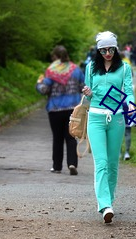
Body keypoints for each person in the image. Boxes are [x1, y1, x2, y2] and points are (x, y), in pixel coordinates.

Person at [82, 31, 135, 223]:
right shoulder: (90, 68)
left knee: (113, 164)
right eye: (103, 50)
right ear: (98, 50)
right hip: (95, 118)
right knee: (101, 163)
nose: (107, 53)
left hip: (117, 119)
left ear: (116, 48)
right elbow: (88, 97)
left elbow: (128, 92)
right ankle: (104, 205)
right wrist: (87, 92)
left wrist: (130, 104)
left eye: (111, 49)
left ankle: (109, 201)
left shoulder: (124, 68)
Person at [36, 45, 85, 175]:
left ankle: (57, 166)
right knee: (71, 137)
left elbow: (44, 90)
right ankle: (72, 163)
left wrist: (39, 83)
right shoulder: (76, 70)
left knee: (57, 138)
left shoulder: (51, 71)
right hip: (72, 109)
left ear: (55, 57)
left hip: (55, 109)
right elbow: (83, 87)